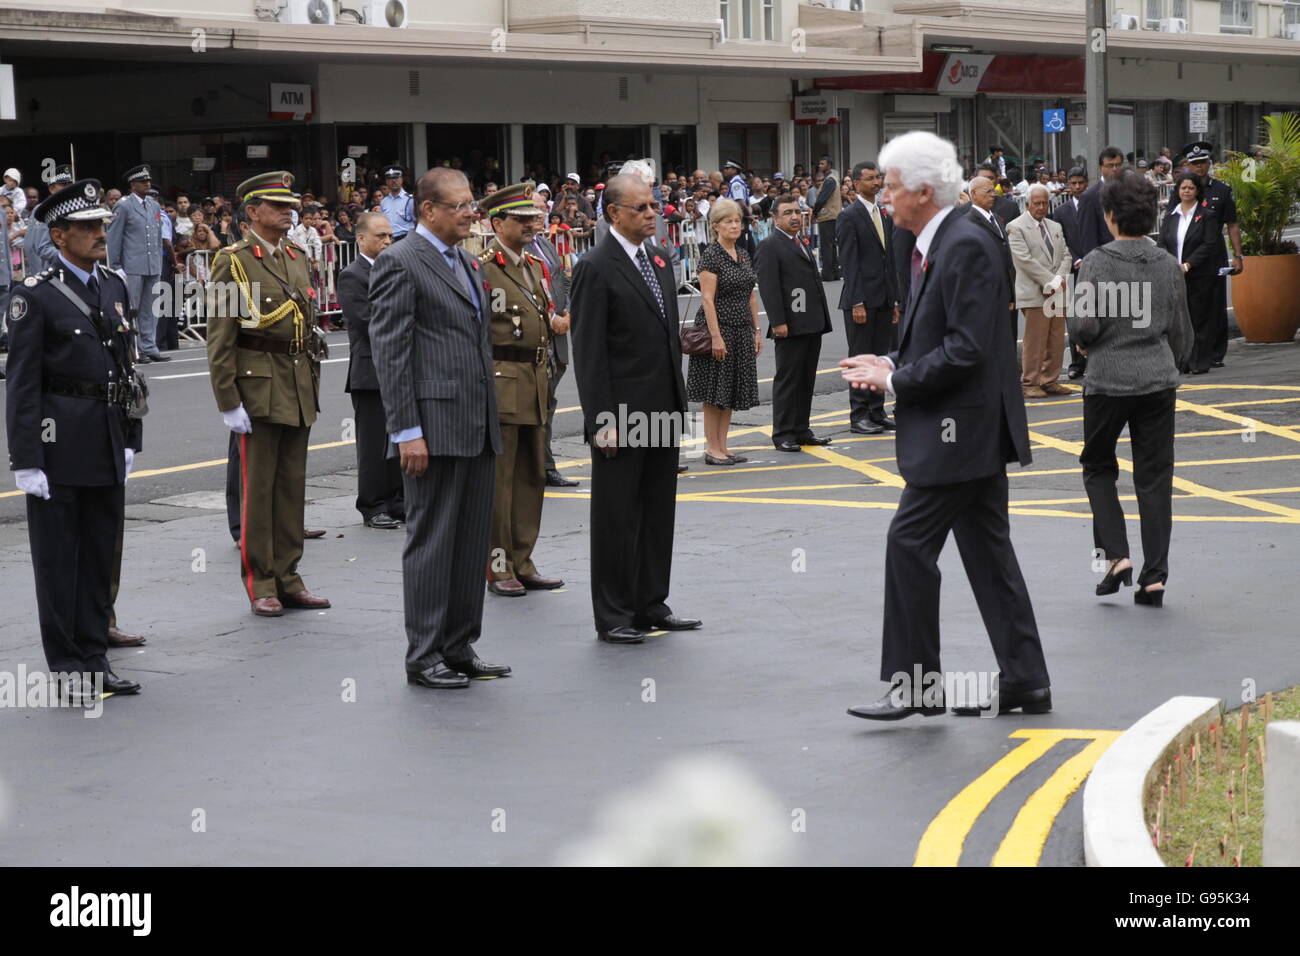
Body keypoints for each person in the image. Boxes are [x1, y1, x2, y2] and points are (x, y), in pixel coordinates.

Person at [840, 131, 1050, 720]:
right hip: (969, 430)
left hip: (960, 432)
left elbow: (967, 349)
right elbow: (947, 336)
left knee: (908, 545)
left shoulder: (963, 243)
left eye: (891, 186)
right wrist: (893, 361)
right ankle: (1026, 681)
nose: (883, 196)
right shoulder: (944, 238)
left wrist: (895, 382)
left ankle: (915, 686)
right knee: (989, 556)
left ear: (924, 192)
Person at [367, 167, 510, 689]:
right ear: (428, 210)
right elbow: (391, 351)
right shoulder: (400, 261)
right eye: (461, 205)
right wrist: (407, 431)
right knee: (431, 541)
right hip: (432, 426)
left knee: (471, 541)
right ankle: (424, 654)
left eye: (472, 203)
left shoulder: (467, 262)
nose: (472, 212)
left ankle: (459, 645)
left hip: (474, 424)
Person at [6, 179, 144, 699]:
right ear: (58, 235)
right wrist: (26, 458)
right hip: (59, 442)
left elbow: (126, 367)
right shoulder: (34, 295)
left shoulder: (113, 284)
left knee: (98, 555)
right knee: (59, 560)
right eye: (86, 227)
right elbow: (22, 383)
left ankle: (95, 656)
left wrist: (132, 435)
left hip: (107, 435)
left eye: (100, 225)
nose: (98, 233)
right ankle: (67, 666)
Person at [570, 173, 698, 645]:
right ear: (613, 214)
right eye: (642, 207)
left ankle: (650, 603)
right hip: (621, 415)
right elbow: (589, 352)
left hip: (662, 404)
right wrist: (601, 420)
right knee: (617, 516)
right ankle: (615, 613)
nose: (653, 214)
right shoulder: (595, 266)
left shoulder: (660, 259)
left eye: (655, 206)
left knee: (657, 511)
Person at [207, 171, 330, 618]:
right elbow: (220, 336)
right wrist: (228, 400)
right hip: (257, 383)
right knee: (258, 490)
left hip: (296, 380)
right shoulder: (234, 260)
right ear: (252, 211)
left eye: (289, 206)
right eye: (277, 206)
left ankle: (289, 575)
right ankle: (262, 581)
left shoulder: (296, 255)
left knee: (290, 486)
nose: (287, 211)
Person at [1071, 169, 1193, 608]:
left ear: (1109, 216)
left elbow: (1084, 326)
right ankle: (1154, 576)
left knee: (1099, 466)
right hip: (1157, 380)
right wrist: (1166, 363)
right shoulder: (1165, 261)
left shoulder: (1098, 262)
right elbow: (1182, 332)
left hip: (1108, 380)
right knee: (1155, 478)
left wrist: (1084, 343)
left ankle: (1116, 556)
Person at [477, 183, 565, 597]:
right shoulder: (483, 267)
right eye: (522, 219)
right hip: (502, 381)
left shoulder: (533, 264)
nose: (533, 224)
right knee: (501, 480)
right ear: (497, 223)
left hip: (535, 380)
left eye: (534, 217)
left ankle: (523, 558)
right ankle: (499, 565)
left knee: (531, 476)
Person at [338, 211, 403, 529]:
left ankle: (397, 500)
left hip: (399, 369)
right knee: (373, 444)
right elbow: (366, 321)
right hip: (371, 371)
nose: (388, 241)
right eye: (381, 236)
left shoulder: (395, 269)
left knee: (401, 438)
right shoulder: (353, 274)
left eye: (390, 235)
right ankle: (372, 504)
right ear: (361, 238)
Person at [686, 198, 761, 466]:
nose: (735, 225)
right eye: (728, 221)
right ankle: (712, 448)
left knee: (729, 391)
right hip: (719, 328)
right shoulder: (711, 255)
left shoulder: (742, 253)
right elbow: (707, 299)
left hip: (741, 329)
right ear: (715, 226)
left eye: (738, 221)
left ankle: (723, 446)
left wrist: (757, 330)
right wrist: (716, 336)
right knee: (714, 392)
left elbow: (751, 295)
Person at [755, 194, 833, 452]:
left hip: (811, 322)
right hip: (789, 324)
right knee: (788, 380)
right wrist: (778, 321)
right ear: (774, 218)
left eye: (797, 212)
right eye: (787, 213)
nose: (795, 217)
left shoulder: (800, 241)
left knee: (806, 378)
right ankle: (783, 432)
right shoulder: (770, 245)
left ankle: (801, 428)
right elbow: (769, 287)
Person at [837, 161, 901, 435]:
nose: (877, 183)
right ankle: (859, 415)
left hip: (884, 298)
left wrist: (895, 299)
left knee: (879, 358)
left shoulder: (883, 213)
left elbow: (891, 260)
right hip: (862, 299)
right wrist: (857, 301)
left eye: (878, 178)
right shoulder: (849, 215)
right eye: (871, 179)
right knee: (861, 359)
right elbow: (849, 263)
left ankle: (876, 411)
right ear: (855, 183)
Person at [1166, 141, 1241, 370]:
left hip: (1213, 253)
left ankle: (1215, 353)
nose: (1200, 167)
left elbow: (1232, 224)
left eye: (1203, 163)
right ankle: (1193, 354)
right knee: (1189, 308)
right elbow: (1170, 223)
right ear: (1188, 164)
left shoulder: (1221, 190)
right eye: (1195, 163)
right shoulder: (1179, 190)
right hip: (1186, 255)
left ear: (1209, 164)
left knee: (1215, 307)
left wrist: (1238, 255)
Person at [529, 189, 578, 488]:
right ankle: (536, 466)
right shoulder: (513, 250)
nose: (539, 214)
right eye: (532, 209)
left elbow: (562, 281)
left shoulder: (546, 245)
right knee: (531, 407)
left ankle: (545, 466)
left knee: (547, 403)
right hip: (534, 338)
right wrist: (551, 318)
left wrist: (569, 313)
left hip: (558, 338)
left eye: (541, 209)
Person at [1007, 184, 1072, 398]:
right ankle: (1030, 382)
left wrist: (1060, 279)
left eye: (1045, 203)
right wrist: (1050, 281)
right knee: (1035, 340)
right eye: (1037, 203)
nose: (1042, 207)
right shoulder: (1015, 227)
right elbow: (1024, 260)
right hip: (1035, 293)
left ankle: (1049, 380)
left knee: (1055, 338)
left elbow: (1066, 256)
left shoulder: (1055, 226)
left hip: (1057, 291)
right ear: (1027, 204)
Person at [1157, 173, 1221, 375]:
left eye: (1190, 188)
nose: (1186, 191)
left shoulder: (1207, 215)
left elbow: (1209, 244)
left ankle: (1200, 362)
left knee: (1199, 319)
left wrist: (1188, 264)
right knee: (1179, 321)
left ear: (1197, 191)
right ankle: (1183, 361)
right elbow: (1162, 242)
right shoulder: (1170, 216)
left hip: (1199, 275)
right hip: (1174, 276)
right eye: (1183, 188)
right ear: (1177, 190)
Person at [106, 165, 170, 363]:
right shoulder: (123, 206)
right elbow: (114, 238)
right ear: (133, 185)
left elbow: (158, 235)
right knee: (130, 309)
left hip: (152, 263)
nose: (147, 184)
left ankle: (149, 347)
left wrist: (158, 260)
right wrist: (116, 266)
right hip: (131, 266)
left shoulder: (153, 205)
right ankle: (132, 349)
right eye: (143, 182)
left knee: (150, 308)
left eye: (148, 181)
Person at [964, 176, 1017, 347]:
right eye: (988, 191)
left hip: (1005, 296)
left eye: (994, 190)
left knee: (1008, 342)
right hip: (985, 298)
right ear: (973, 194)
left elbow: (1006, 258)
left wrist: (1011, 294)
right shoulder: (967, 222)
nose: (993, 194)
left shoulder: (996, 219)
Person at [1051, 166, 1089, 379]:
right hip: (1073, 269)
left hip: (1096, 266)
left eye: (1080, 183)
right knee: (1074, 316)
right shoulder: (1060, 212)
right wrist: (1076, 259)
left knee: (1097, 312)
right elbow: (1061, 241)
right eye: (1073, 183)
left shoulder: (1098, 206)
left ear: (1086, 183)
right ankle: (1077, 363)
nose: (1077, 187)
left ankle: (1096, 360)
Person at [25, 164, 73, 273]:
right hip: (51, 271)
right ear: (51, 189)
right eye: (63, 185)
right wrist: (72, 256)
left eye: (69, 184)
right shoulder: (45, 210)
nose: (68, 188)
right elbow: (41, 248)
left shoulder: (70, 207)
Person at [811, 156, 842, 280]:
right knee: (831, 245)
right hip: (832, 216)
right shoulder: (832, 179)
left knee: (826, 246)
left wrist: (814, 212)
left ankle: (828, 273)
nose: (820, 165)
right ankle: (834, 272)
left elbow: (822, 198)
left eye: (822, 163)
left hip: (828, 216)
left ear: (829, 165)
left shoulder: (830, 180)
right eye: (819, 163)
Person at [379, 166, 415, 240]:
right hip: (389, 240)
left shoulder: (410, 200)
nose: (393, 181)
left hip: (406, 239)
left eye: (396, 177)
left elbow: (417, 222)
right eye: (390, 178)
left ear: (402, 179)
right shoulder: (383, 202)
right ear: (386, 181)